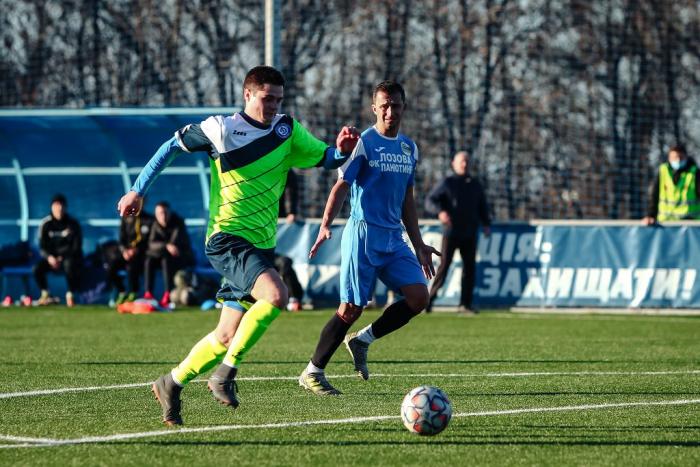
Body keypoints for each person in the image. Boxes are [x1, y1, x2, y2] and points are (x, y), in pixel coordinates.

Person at [117, 65, 359, 425]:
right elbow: (170, 147)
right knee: (276, 295)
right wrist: (138, 190)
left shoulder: (286, 130)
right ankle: (225, 375)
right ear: (247, 95)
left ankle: (171, 382)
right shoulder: (221, 129)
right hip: (227, 238)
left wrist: (341, 150)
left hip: (261, 246)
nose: (273, 106)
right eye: (267, 98)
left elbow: (325, 158)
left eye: (278, 100)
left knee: (226, 334)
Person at [298, 80, 440, 396]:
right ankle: (312, 372)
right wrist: (325, 224)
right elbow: (341, 186)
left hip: (393, 238)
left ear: (404, 107)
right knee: (351, 308)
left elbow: (407, 199)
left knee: (418, 297)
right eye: (384, 105)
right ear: (374, 108)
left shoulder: (409, 148)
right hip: (363, 235)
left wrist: (418, 244)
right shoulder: (364, 143)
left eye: (396, 105)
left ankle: (362, 340)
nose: (390, 111)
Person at [424, 151, 491, 314]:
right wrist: (440, 212)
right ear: (454, 163)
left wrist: (486, 223)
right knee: (444, 267)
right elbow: (430, 201)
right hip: (451, 232)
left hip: (470, 233)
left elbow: (482, 206)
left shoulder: (475, 184)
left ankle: (465, 304)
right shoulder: (448, 182)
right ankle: (428, 302)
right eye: (461, 161)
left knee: (469, 269)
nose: (464, 164)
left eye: (467, 161)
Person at [34, 194, 83, 307]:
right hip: (51, 259)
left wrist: (61, 258)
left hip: (67, 258)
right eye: (56, 205)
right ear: (52, 207)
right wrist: (49, 257)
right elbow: (42, 246)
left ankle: (70, 295)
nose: (59, 208)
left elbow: (76, 247)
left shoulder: (73, 224)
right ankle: (46, 294)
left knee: (70, 265)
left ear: (65, 207)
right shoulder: (46, 224)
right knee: (37, 269)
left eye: (61, 205)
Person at [144, 201, 195, 307]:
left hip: (179, 258)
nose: (163, 216)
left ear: (170, 212)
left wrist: (168, 247)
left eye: (165, 213)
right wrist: (166, 246)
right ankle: (148, 293)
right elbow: (151, 244)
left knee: (165, 260)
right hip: (162, 255)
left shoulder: (178, 223)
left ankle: (168, 294)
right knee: (149, 261)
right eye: (159, 213)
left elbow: (176, 245)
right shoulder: (154, 224)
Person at [104, 208, 154, 304]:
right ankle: (121, 291)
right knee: (110, 267)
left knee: (132, 267)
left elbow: (149, 241)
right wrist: (124, 251)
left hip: (141, 254)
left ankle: (133, 293)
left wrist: (137, 250)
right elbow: (121, 239)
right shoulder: (126, 218)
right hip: (125, 253)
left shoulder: (149, 219)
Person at [643, 144, 700, 225]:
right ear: (669, 158)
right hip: (665, 223)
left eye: (681, 157)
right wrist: (651, 215)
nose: (678, 160)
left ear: (686, 157)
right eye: (675, 157)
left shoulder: (695, 173)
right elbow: (654, 195)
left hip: (690, 224)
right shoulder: (663, 171)